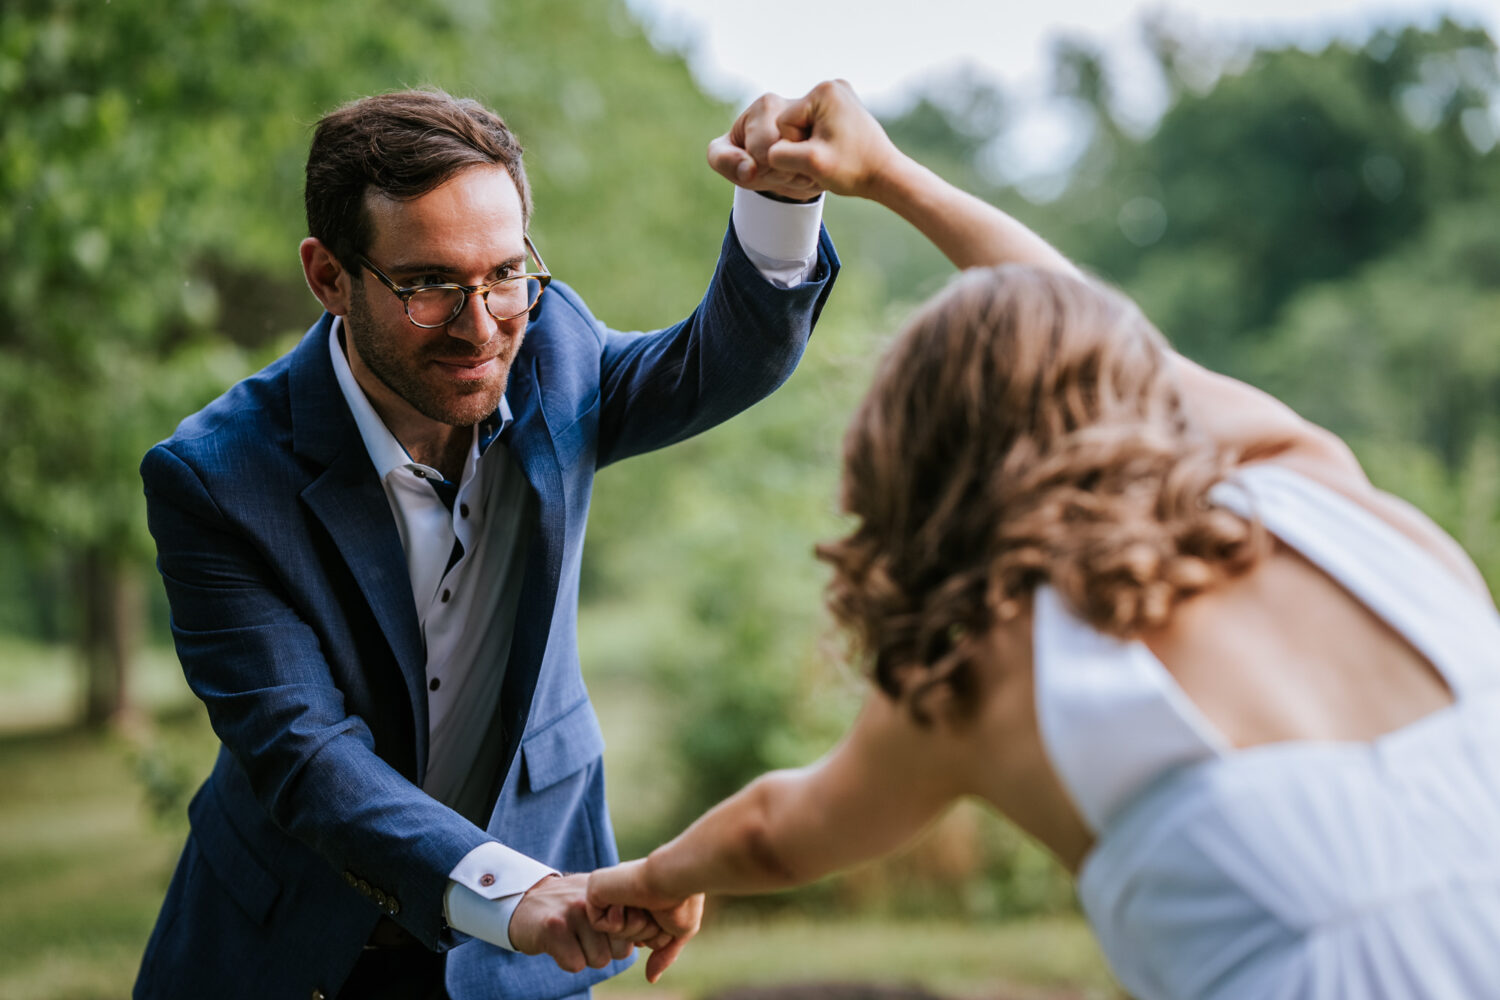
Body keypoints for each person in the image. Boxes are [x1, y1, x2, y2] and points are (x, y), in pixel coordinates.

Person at [587, 80, 1500, 998]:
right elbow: (1109, 340)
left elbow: (777, 832)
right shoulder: (1336, 498)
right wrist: (891, 177)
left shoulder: (997, 677)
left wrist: (648, 880)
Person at [134, 88, 838, 1000]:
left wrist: (779, 204)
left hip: (526, 956)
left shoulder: (554, 352)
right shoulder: (217, 479)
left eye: (505, 274)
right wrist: (522, 891)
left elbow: (717, 363)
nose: (480, 327)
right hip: (295, 949)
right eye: (428, 286)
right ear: (329, 277)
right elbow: (304, 751)